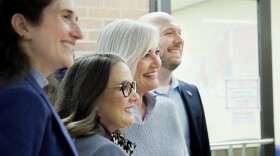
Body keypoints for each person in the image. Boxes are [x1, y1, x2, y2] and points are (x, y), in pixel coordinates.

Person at [0, 0, 83, 155]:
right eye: (66, 17)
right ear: (22, 26)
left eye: (76, 20)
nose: (79, 33)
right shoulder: (20, 98)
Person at [96, 19, 188, 156]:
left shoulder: (168, 108)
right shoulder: (105, 116)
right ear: (120, 59)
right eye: (146, 55)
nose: (157, 63)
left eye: (156, 52)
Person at [139, 12, 211, 156]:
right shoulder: (130, 97)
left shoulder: (192, 93)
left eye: (179, 33)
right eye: (169, 33)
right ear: (146, 41)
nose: (180, 40)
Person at [55, 53, 139, 156]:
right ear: (94, 98)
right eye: (125, 87)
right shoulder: (104, 150)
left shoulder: (63, 138)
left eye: (132, 86)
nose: (136, 97)